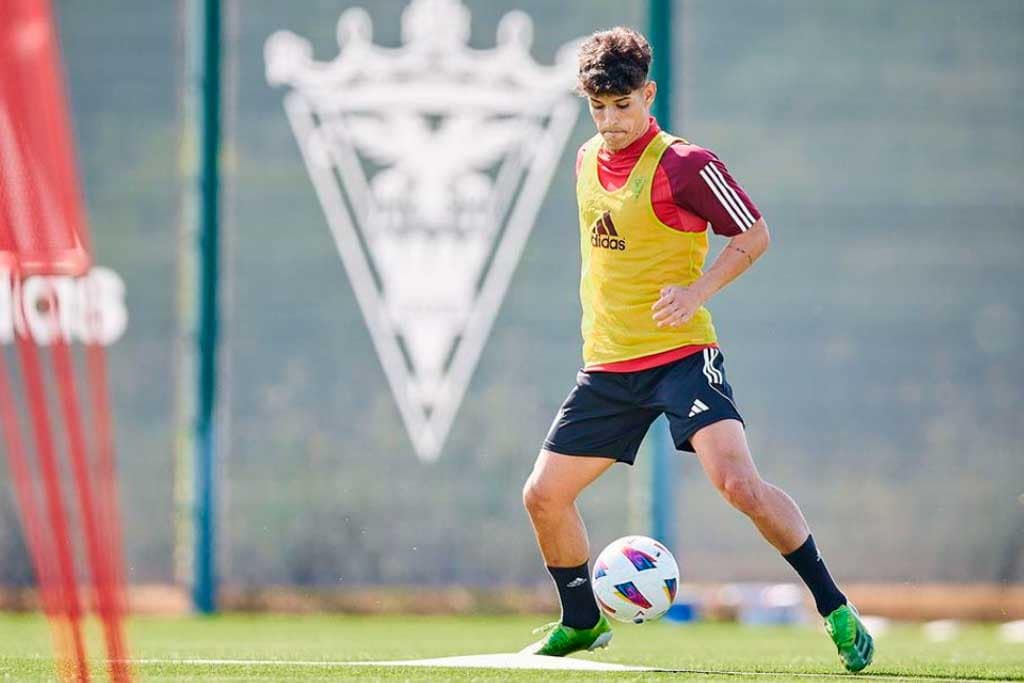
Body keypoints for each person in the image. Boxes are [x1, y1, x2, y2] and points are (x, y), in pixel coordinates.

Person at [520, 27, 873, 673]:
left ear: (649, 94)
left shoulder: (686, 164)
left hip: (681, 357)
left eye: (622, 105)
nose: (610, 120)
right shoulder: (585, 158)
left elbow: (754, 233)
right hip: (608, 365)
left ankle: (834, 606)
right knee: (543, 495)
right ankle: (581, 621)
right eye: (598, 107)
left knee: (738, 484)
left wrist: (696, 291)